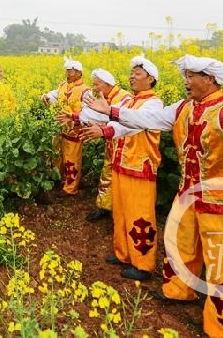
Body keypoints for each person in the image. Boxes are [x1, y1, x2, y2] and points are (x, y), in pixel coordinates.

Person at [82, 54, 223, 338]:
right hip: (188, 194)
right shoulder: (183, 107)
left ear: (209, 79)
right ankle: (178, 291)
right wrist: (113, 112)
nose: (186, 82)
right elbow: (148, 117)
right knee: (180, 246)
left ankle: (220, 330)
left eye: (191, 76)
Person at [75, 56, 162, 281]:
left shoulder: (153, 104)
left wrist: (105, 131)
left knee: (140, 216)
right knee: (121, 213)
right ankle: (123, 253)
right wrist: (95, 123)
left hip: (139, 167)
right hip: (121, 165)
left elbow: (132, 124)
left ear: (151, 79)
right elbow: (115, 120)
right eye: (131, 73)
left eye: (137, 73)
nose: (131, 76)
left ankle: (143, 264)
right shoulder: (130, 101)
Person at [80, 68, 132, 222]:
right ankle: (104, 207)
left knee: (121, 179)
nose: (94, 88)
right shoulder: (108, 97)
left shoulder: (125, 98)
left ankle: (119, 211)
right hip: (111, 144)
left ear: (107, 84)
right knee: (107, 175)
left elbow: (117, 120)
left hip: (125, 147)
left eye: (96, 85)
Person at [42, 57, 91, 195]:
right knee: (56, 156)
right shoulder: (63, 85)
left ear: (79, 73)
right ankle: (56, 180)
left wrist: (78, 120)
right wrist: (46, 96)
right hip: (60, 128)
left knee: (72, 160)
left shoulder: (85, 90)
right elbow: (55, 95)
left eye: (71, 71)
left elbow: (88, 110)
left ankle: (70, 189)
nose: (68, 74)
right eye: (67, 71)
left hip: (74, 131)